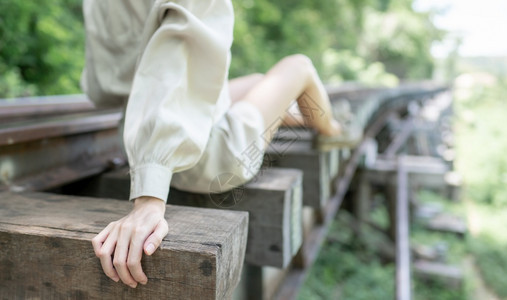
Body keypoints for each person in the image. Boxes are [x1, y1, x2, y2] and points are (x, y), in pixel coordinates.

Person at [84, 0, 345, 288]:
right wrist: (149, 201)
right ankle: (332, 128)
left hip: (135, 132)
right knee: (299, 66)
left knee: (258, 81)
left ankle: (287, 114)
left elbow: (115, 85)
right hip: (211, 156)